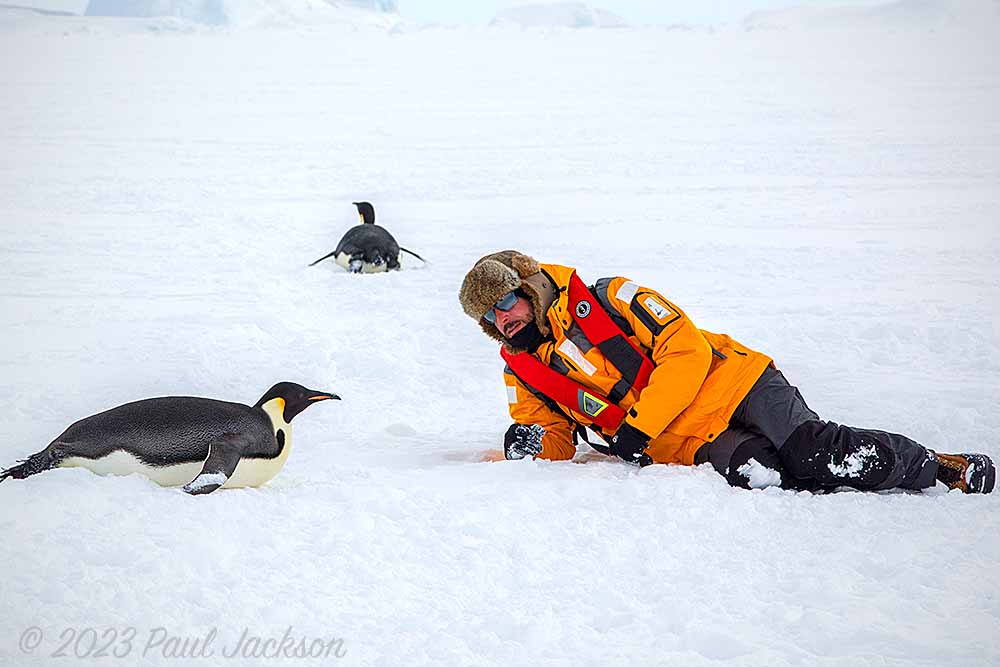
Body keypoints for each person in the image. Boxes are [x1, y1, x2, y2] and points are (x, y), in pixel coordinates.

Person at [458, 250, 995, 494]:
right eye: (488, 316)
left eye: (505, 301)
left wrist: (638, 428)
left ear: (527, 287)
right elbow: (552, 433)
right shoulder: (524, 370)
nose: (502, 318)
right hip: (686, 440)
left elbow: (686, 352)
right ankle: (856, 482)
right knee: (764, 475)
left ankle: (937, 467)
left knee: (813, 449)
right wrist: (529, 442)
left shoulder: (612, 296)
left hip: (736, 385)